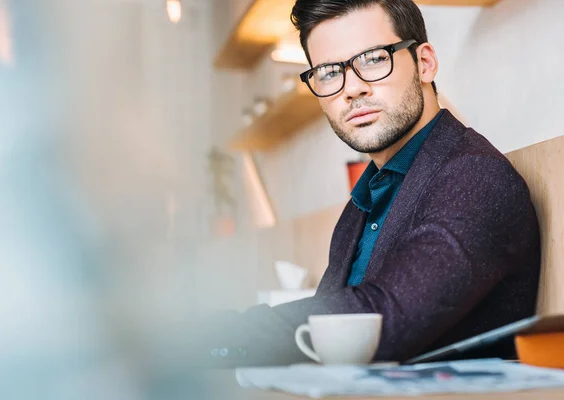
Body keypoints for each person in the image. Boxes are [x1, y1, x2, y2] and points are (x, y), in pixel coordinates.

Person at [168, 0, 540, 368]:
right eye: (330, 72)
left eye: (374, 58)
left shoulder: (474, 176)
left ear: (424, 63)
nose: (353, 88)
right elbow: (325, 332)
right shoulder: (364, 200)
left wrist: (203, 340)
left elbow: (380, 320)